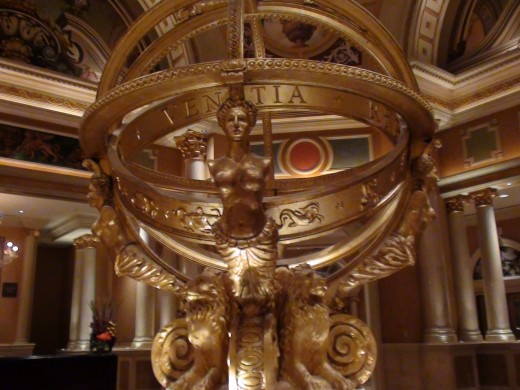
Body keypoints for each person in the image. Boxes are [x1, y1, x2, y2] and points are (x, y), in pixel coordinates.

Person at [208, 96, 278, 315]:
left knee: (264, 297)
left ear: (250, 125)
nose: (236, 124)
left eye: (242, 119)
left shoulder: (262, 162)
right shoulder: (214, 164)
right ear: (223, 125)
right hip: (227, 238)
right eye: (230, 120)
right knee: (235, 296)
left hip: (260, 237)